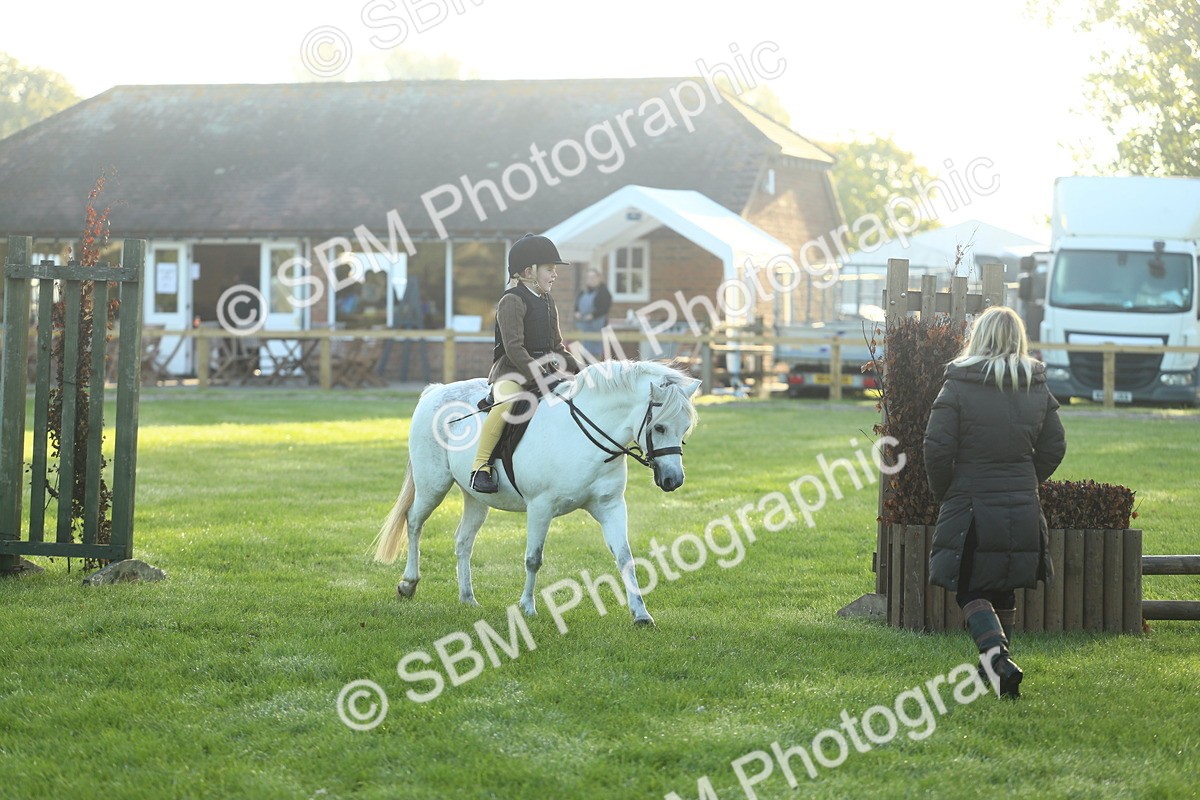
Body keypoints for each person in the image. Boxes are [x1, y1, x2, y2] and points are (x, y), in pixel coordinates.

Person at [924, 306, 1067, 699]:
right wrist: (1027, 480)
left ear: (979, 336)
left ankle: (997, 657)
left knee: (969, 590)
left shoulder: (958, 384)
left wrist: (946, 493)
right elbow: (1055, 445)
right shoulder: (1036, 385)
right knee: (1003, 588)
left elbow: (936, 450)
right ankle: (999, 677)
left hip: (971, 506)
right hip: (1021, 503)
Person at [470, 234, 581, 493]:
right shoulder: (511, 300)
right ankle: (480, 467)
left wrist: (583, 372)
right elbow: (514, 348)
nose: (554, 275)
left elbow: (557, 347)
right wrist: (541, 373)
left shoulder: (547, 301)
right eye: (550, 269)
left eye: (555, 270)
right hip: (512, 372)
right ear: (529, 271)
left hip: (544, 370)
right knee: (506, 403)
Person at [574, 267, 612, 359]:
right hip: (583, 328)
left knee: (594, 355)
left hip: (596, 327)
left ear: (599, 278)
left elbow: (604, 308)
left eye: (593, 277)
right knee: (582, 353)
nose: (591, 280)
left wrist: (593, 315)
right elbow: (576, 306)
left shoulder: (604, 292)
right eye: (589, 278)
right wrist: (576, 312)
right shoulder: (583, 292)